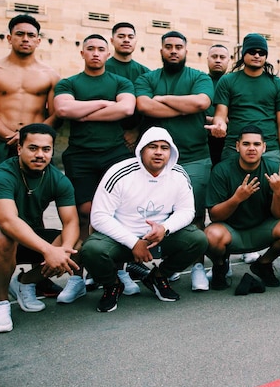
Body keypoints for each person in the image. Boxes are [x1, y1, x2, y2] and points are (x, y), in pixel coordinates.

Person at [0, 14, 60, 312]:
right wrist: (13, 137)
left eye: (31, 34)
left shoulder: (49, 74)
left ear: (38, 39)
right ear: (9, 37)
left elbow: (55, 114)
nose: (25, 39)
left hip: (35, 148)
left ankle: (38, 274)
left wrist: (30, 141)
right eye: (19, 33)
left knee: (36, 206)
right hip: (0, 146)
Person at [0, 123, 79, 333]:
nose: (40, 155)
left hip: (24, 239)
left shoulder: (58, 179)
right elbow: (7, 221)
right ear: (19, 149)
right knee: (3, 236)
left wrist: (64, 251)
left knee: (78, 243)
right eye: (33, 148)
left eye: (46, 149)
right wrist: (48, 250)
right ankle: (0, 303)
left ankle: (25, 282)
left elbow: (71, 221)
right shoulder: (2, 175)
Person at [80, 127, 208, 312]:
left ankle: (158, 276)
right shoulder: (119, 172)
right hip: (122, 239)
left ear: (171, 151)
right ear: (141, 149)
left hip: (158, 237)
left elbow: (187, 211)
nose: (158, 152)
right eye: (152, 147)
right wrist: (133, 243)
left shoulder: (178, 174)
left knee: (198, 240)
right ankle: (112, 285)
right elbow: (99, 217)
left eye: (164, 148)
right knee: (92, 249)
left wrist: (164, 228)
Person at [207, 33, 280, 278]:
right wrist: (219, 125)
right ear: (243, 54)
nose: (257, 55)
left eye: (261, 52)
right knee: (233, 197)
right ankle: (222, 261)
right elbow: (220, 113)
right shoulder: (228, 81)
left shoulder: (276, 84)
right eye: (252, 51)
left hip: (267, 148)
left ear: (266, 55)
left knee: (278, 200)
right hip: (233, 147)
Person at [53, 34, 136, 302]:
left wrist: (83, 111)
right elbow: (64, 110)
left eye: (101, 49)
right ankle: (78, 277)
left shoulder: (120, 81)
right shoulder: (69, 82)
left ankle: (118, 271)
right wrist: (103, 103)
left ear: (108, 54)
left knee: (119, 214)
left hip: (115, 154)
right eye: (91, 49)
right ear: (82, 53)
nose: (96, 53)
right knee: (83, 214)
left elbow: (126, 110)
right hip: (80, 156)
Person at [134, 31, 214, 290]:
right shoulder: (147, 78)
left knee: (196, 215)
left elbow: (202, 102)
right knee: (160, 213)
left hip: (195, 156)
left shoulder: (199, 77)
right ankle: (170, 265)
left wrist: (163, 100)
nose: (173, 51)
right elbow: (145, 106)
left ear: (186, 50)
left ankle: (198, 266)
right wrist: (183, 107)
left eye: (178, 46)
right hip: (156, 162)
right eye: (168, 47)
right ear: (161, 50)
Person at [204, 125, 280, 290]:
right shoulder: (222, 170)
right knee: (210, 235)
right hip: (231, 231)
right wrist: (237, 199)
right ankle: (220, 266)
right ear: (237, 146)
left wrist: (278, 192)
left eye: (256, 144)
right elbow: (214, 216)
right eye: (246, 144)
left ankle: (263, 263)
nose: (251, 148)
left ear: (264, 147)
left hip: (261, 230)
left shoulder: (274, 168)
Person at [105, 21, 150, 151]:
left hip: (136, 139)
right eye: (121, 36)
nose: (126, 40)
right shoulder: (102, 69)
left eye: (130, 37)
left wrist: (135, 131)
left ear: (135, 41)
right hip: (106, 137)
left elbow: (148, 108)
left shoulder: (145, 72)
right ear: (112, 40)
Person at [205, 44, 231, 166]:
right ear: (207, 59)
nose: (218, 60)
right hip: (204, 141)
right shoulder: (200, 82)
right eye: (214, 56)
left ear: (228, 60)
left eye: (222, 57)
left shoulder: (233, 83)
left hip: (229, 141)